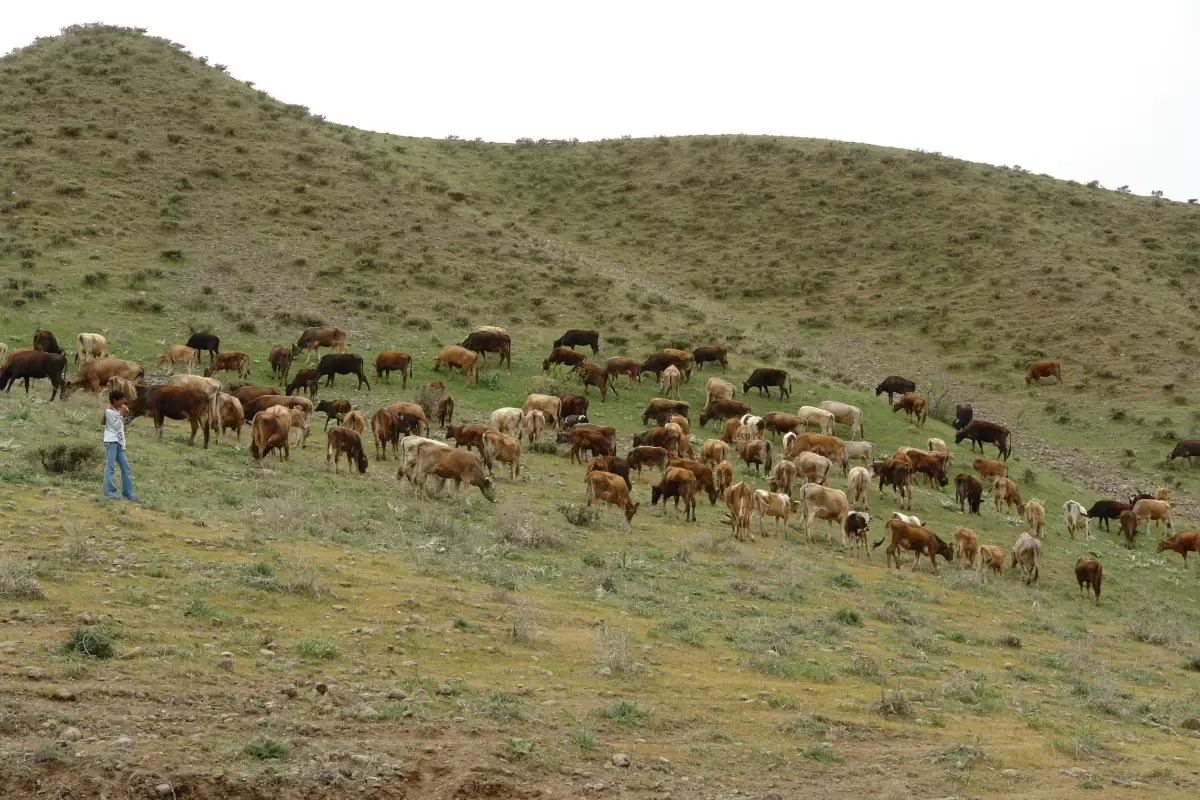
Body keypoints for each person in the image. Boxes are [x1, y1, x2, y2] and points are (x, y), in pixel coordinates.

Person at [102, 389, 138, 501]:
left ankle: (129, 494)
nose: (124, 401)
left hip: (119, 442)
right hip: (111, 442)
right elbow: (116, 427)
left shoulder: (116, 411)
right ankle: (109, 492)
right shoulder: (108, 412)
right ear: (114, 400)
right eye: (121, 399)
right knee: (110, 466)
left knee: (125, 467)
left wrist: (122, 413)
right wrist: (121, 414)